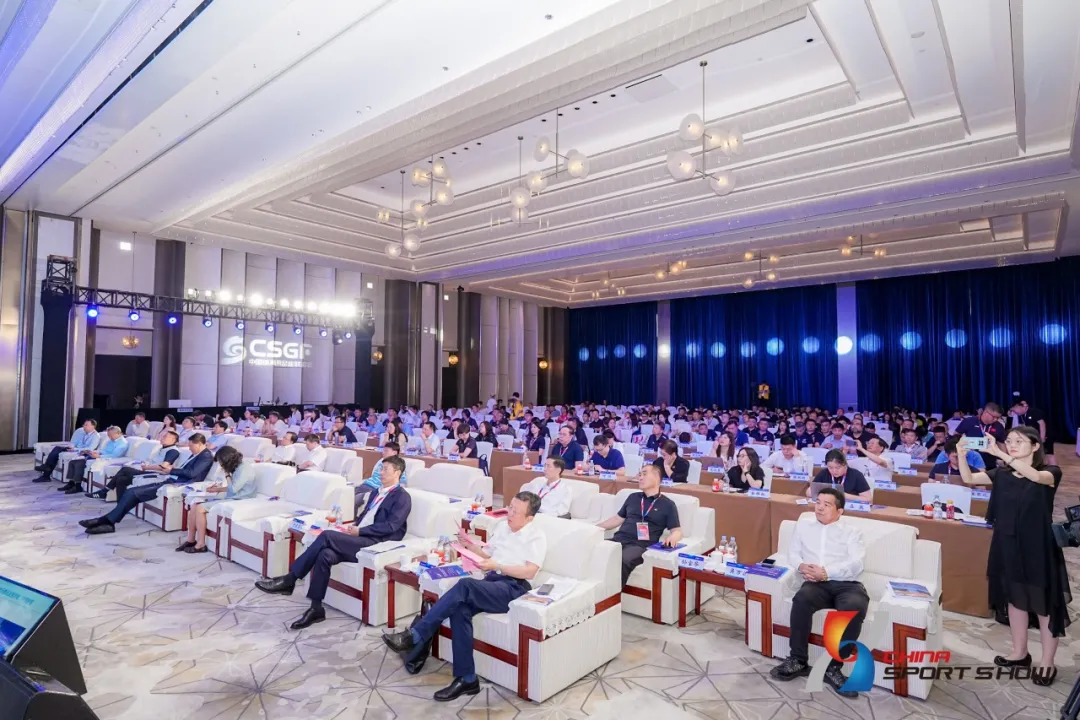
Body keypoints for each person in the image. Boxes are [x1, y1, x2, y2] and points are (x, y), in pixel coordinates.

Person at [382, 491, 545, 701]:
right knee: (460, 608)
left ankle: (415, 636)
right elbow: (488, 555)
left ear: (529, 518)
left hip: (513, 588)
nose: (510, 513)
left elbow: (530, 571)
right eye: (510, 507)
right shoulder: (503, 528)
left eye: (516, 511)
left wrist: (498, 566)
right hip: (492, 581)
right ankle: (467, 678)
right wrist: (469, 546)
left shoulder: (536, 536)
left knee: (465, 585)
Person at [959, 428, 1068, 685]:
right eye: (1008, 441)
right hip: (1007, 542)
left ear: (1035, 446)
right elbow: (968, 478)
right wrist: (961, 454)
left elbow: (1035, 477)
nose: (1012, 445)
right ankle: (1020, 653)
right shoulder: (1002, 474)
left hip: (1038, 545)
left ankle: (1047, 662)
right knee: (1015, 599)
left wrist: (1001, 454)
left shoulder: (1051, 472)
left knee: (1044, 603)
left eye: (1019, 441)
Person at [257, 455, 411, 629]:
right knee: (325, 555)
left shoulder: (402, 497)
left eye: (385, 469)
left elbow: (391, 526)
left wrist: (361, 531)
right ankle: (316, 608)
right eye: (381, 468)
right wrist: (354, 526)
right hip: (359, 537)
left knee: (327, 536)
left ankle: (290, 579)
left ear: (397, 473)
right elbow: (365, 516)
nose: (380, 472)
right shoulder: (376, 492)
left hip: (375, 542)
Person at [770, 487, 868, 699]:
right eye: (818, 502)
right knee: (801, 599)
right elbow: (793, 553)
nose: (820, 507)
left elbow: (857, 563)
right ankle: (798, 660)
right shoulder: (803, 525)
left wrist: (826, 572)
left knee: (853, 608)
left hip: (846, 584)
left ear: (840, 511)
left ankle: (833, 668)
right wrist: (801, 566)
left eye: (826, 504)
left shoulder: (852, 531)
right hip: (815, 583)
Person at [80, 434, 214, 535]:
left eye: (191, 446)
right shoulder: (197, 454)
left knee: (132, 492)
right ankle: (108, 521)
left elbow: (191, 473)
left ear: (199, 444)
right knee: (131, 492)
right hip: (172, 479)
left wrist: (171, 470)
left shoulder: (206, 456)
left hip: (179, 484)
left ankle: (106, 521)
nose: (189, 448)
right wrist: (172, 471)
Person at [596, 465, 682, 587]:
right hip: (619, 539)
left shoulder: (668, 505)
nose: (640, 477)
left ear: (657, 478)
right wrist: (594, 528)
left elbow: (677, 530)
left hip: (640, 545)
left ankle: (612, 594)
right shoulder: (633, 497)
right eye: (640, 474)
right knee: (595, 550)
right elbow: (617, 519)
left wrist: (673, 537)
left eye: (644, 474)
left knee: (623, 559)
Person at [177, 445, 256, 554]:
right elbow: (233, 488)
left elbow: (233, 489)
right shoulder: (237, 466)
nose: (221, 465)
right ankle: (191, 540)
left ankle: (201, 544)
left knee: (200, 508)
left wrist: (227, 474)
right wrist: (216, 489)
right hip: (233, 496)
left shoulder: (244, 468)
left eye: (221, 462)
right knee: (194, 504)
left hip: (240, 499)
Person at [94, 430, 182, 500]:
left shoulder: (173, 451)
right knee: (121, 480)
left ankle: (104, 491)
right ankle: (120, 504)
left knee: (125, 469)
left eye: (165, 437)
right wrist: (145, 464)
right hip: (148, 470)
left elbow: (163, 466)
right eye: (163, 436)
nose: (162, 438)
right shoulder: (162, 448)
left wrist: (147, 467)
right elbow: (154, 461)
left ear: (173, 440)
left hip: (156, 474)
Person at [57, 426, 130, 494]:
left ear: (118, 433)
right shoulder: (111, 441)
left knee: (79, 464)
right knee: (73, 462)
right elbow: (103, 450)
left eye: (111, 435)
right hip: (99, 456)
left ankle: (77, 486)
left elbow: (115, 455)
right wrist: (94, 452)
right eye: (108, 435)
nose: (109, 437)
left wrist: (99, 456)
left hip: (106, 459)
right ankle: (71, 483)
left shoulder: (122, 443)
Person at [34, 419, 100, 483]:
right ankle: (46, 470)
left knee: (57, 452)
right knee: (57, 449)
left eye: (86, 425)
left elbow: (90, 448)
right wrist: (72, 446)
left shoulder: (96, 436)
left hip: (81, 452)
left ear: (93, 426)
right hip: (74, 449)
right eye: (84, 425)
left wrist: (75, 449)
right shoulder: (83, 433)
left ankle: (46, 473)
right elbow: (75, 443)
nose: (84, 426)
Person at [954, 402, 1007, 467]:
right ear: (985, 412)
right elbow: (955, 437)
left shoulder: (998, 426)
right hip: (970, 462)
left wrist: (1004, 459)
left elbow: (1001, 444)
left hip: (989, 463)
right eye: (994, 417)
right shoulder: (969, 421)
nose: (996, 420)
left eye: (998, 417)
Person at [1010, 398, 1053, 464]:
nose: (1014, 412)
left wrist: (1042, 438)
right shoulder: (1023, 415)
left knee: (1049, 454)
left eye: (1014, 410)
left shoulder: (1034, 412)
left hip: (1045, 437)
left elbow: (1042, 424)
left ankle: (1054, 468)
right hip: (1036, 438)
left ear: (1019, 407)